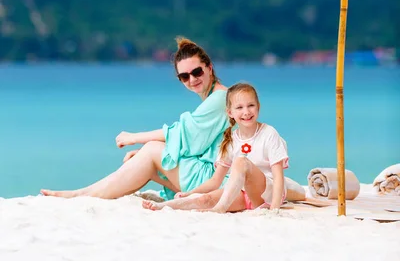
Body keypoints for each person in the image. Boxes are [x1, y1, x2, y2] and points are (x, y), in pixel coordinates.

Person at [40, 37, 229, 199]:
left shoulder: (220, 98)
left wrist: (134, 137)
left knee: (152, 150)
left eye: (197, 72)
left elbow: (184, 134)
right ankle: (84, 193)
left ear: (209, 68)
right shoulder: (215, 97)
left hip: (218, 180)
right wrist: (143, 150)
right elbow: (193, 142)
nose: (192, 79)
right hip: (215, 175)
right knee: (148, 154)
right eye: (184, 76)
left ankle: (80, 195)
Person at [142, 82, 291, 213]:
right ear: (230, 113)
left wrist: (275, 209)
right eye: (239, 107)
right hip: (243, 195)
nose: (246, 112)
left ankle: (220, 208)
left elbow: (278, 177)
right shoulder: (230, 140)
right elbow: (215, 180)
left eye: (251, 105)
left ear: (258, 107)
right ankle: (163, 206)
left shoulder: (269, 133)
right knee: (204, 200)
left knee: (241, 162)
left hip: (267, 195)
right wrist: (191, 193)